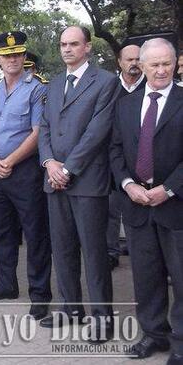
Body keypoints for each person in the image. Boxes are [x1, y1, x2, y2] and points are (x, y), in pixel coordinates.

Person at [37, 25, 119, 338]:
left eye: (73, 44)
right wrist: (49, 163)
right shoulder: (55, 84)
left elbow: (97, 131)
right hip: (54, 180)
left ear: (87, 47)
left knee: (94, 253)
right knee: (63, 250)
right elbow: (44, 127)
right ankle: (70, 308)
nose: (67, 49)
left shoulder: (106, 82)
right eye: (63, 44)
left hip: (86, 182)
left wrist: (67, 169)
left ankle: (103, 320)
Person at [109, 38, 182, 363]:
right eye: (155, 64)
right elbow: (115, 149)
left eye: (167, 63)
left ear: (175, 63)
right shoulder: (126, 104)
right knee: (146, 275)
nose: (161, 70)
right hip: (137, 205)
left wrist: (167, 189)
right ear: (142, 65)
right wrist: (127, 184)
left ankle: (180, 343)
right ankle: (154, 334)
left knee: (181, 278)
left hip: (175, 206)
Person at [0, 31, 52, 321]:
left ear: (24, 57)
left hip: (24, 172)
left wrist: (7, 161)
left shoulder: (37, 89)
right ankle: (6, 284)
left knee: (35, 234)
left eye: (18, 54)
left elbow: (37, 133)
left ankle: (40, 295)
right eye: (7, 56)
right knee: (0, 230)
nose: (13, 59)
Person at [106, 39, 144, 266]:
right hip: (113, 158)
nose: (134, 64)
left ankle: (137, 249)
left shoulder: (151, 86)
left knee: (140, 210)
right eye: (129, 59)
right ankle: (110, 253)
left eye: (138, 59)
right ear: (119, 62)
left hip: (144, 161)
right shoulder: (109, 87)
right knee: (110, 209)